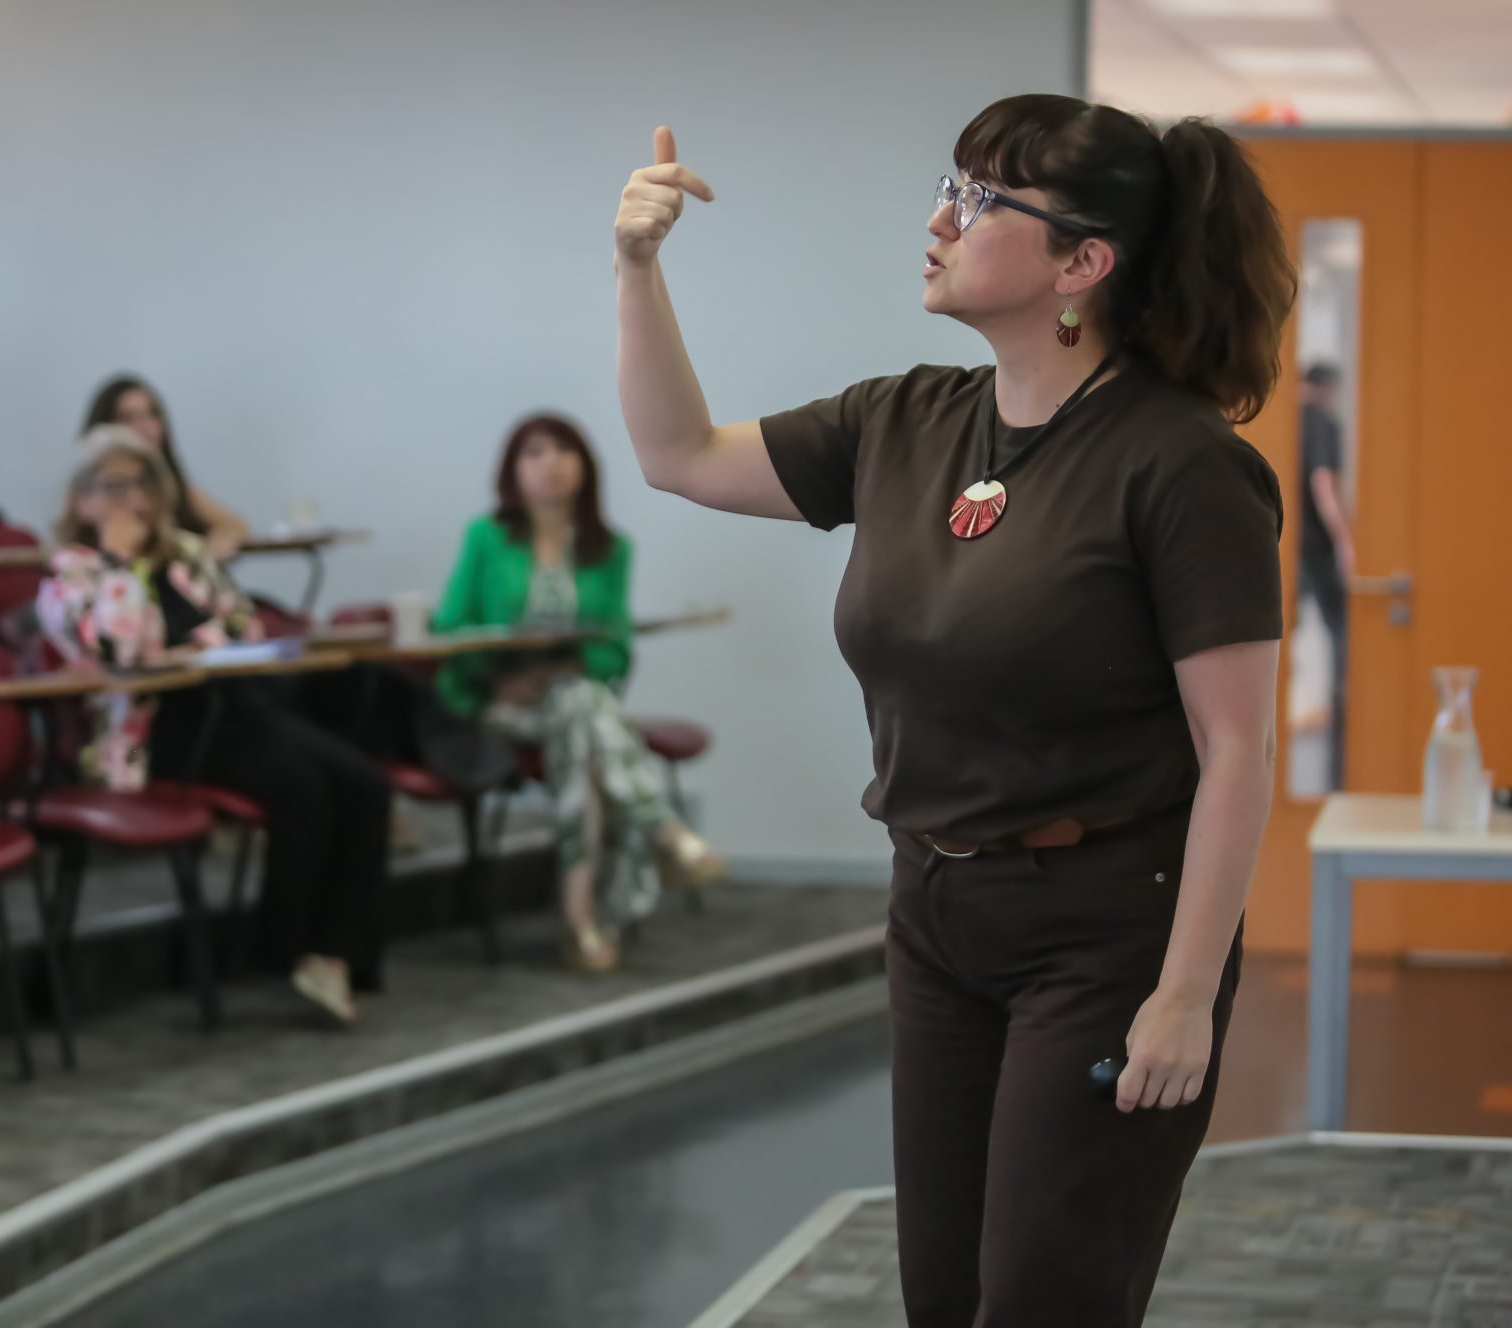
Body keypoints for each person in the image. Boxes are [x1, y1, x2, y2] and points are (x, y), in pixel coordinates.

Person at [613, 96, 1290, 1322]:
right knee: (941, 1288)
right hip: (932, 907)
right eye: (950, 185)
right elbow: (678, 455)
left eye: (980, 200)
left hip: (1103, 926)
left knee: (1041, 1295)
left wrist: (1185, 992)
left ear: (1079, 265)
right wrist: (635, 267)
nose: (938, 219)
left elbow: (1236, 748)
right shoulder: (903, 419)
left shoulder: (1180, 462)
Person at [37, 426, 388, 1023]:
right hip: (154, 734)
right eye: (113, 487)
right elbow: (120, 648)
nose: (132, 499)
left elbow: (243, 625)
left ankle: (338, 953)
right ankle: (285, 950)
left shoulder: (187, 555)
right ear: (81, 499)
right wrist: (123, 564)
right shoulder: (70, 575)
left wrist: (191, 644)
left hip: (234, 708)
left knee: (364, 782)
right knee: (302, 789)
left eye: (143, 484)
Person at [433, 414, 725, 974]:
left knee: (577, 718)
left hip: (573, 701)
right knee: (585, 713)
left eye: (564, 450)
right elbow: (450, 627)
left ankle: (578, 918)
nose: (551, 463)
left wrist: (563, 668)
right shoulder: (486, 537)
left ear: (586, 467)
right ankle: (662, 833)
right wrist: (500, 679)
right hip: (500, 702)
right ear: (512, 470)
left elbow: (616, 649)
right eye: (535, 452)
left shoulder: (610, 547)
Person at [83, 376, 252, 561]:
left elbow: (236, 525)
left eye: (152, 414)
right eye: (129, 417)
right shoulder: (91, 492)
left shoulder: (173, 484)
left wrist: (211, 549)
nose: (145, 427)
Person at [1298, 363, 1354, 789]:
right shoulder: (1324, 423)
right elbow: (1324, 485)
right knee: (1343, 644)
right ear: (1328, 388)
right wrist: (1346, 540)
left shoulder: (1284, 420)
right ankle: (1342, 769)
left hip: (1282, 545)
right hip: (1315, 548)